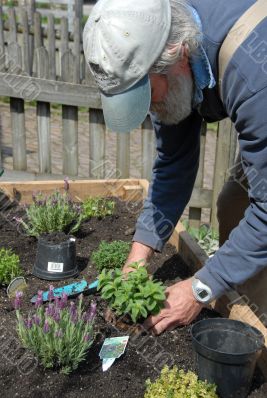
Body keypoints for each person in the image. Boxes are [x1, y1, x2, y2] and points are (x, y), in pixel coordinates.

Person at [83, 0, 267, 334]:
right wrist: (137, 259)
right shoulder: (168, 52)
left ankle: (255, 334)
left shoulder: (255, 74)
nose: (149, 108)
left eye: (147, 94)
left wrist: (200, 288)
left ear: (178, 54)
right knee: (233, 206)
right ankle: (241, 312)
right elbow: (173, 162)